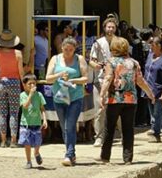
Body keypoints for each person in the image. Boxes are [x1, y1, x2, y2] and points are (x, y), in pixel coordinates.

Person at [98, 37, 155, 164]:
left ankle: (105, 157)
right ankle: (127, 158)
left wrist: (102, 95)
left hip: (114, 99)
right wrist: (150, 93)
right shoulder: (134, 63)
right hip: (131, 100)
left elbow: (108, 78)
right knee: (128, 129)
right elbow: (140, 81)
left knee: (109, 128)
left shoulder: (110, 62)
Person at [46, 37, 89, 166]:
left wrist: (73, 80)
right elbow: (48, 78)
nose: (68, 52)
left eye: (71, 50)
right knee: (64, 127)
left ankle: (68, 155)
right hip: (59, 97)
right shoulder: (55, 59)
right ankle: (71, 153)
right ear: (62, 48)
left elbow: (85, 77)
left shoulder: (79, 59)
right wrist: (59, 75)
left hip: (75, 97)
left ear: (75, 49)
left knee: (69, 125)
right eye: (66, 49)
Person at [0, 29, 24, 148]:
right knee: (14, 113)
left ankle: (3, 141)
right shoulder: (18, 53)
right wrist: (24, 84)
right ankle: (13, 140)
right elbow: (21, 71)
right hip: (14, 82)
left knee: (2, 113)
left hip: (1, 81)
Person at [89, 17, 117, 147]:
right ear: (104, 28)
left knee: (119, 107)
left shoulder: (120, 42)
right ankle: (99, 136)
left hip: (117, 80)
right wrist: (97, 66)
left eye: (112, 27)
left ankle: (123, 135)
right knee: (100, 109)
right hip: (100, 79)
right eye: (108, 27)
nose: (110, 29)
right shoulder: (98, 43)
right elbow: (91, 60)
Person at [18, 74, 48, 169]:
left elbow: (42, 108)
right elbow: (25, 106)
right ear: (24, 85)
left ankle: (36, 152)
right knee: (27, 143)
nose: (32, 86)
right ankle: (28, 161)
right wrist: (30, 95)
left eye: (34, 83)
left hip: (36, 123)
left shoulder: (39, 95)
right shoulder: (22, 95)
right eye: (29, 84)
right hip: (25, 124)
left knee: (37, 142)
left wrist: (45, 120)